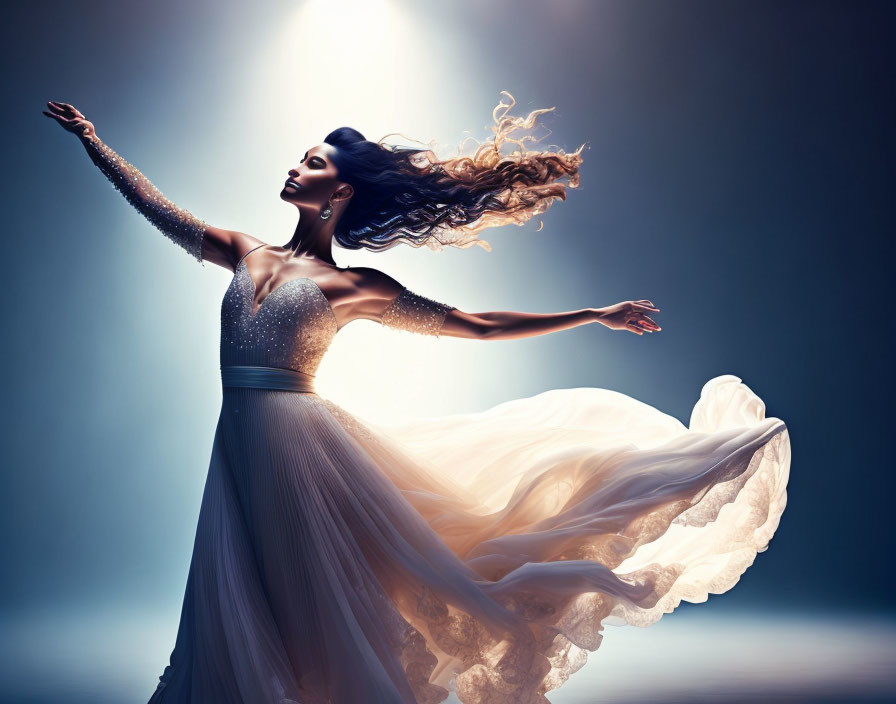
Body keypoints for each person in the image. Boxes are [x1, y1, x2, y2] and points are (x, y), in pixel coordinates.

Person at [43, 93, 790, 704]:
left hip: (295, 445)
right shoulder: (246, 251)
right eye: (300, 156)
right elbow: (161, 211)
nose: (294, 166)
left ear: (340, 191)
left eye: (312, 162)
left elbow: (474, 325)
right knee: (241, 583)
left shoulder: (358, 288)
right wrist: (95, 144)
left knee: (308, 589)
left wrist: (589, 313)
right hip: (239, 434)